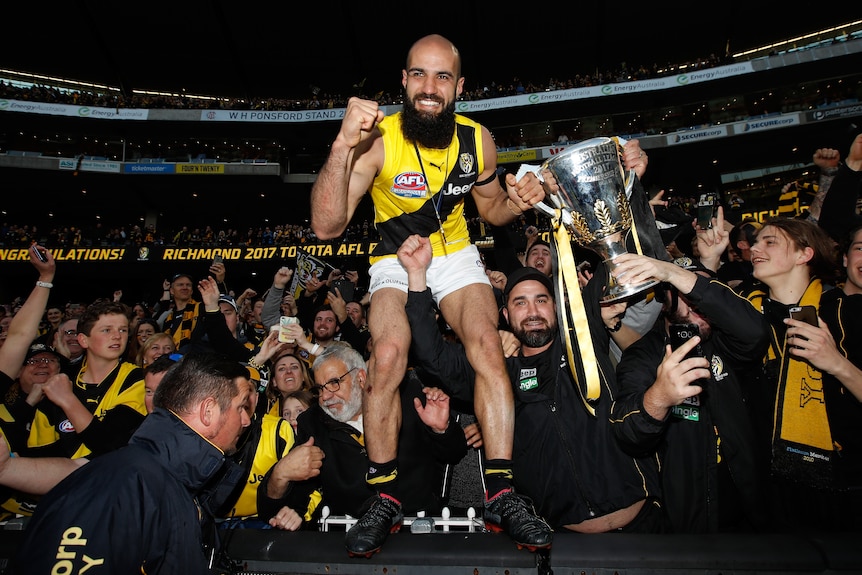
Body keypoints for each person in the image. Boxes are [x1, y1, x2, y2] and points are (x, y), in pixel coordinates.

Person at [309, 33, 560, 554]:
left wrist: (519, 202)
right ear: (402, 81)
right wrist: (340, 145)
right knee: (387, 354)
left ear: (459, 86)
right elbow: (327, 226)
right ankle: (384, 496)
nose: (429, 87)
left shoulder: (479, 140)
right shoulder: (375, 138)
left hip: (457, 255)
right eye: (418, 75)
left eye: (442, 76)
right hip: (394, 258)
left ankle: (503, 492)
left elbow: (492, 211)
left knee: (488, 345)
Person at [400, 234, 667, 534]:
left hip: (644, 528)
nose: (533, 312)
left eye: (541, 300)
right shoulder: (494, 375)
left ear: (556, 307)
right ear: (505, 315)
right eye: (520, 303)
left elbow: (612, 261)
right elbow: (430, 354)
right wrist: (417, 275)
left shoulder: (584, 340)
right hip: (560, 541)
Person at [12, 353, 253, 574]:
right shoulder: (119, 486)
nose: (245, 421)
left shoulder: (178, 484)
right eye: (242, 406)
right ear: (208, 410)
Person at [609, 250, 771, 533]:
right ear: (665, 298)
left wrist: (675, 274)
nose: (698, 302)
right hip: (688, 521)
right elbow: (627, 432)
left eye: (699, 290)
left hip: (752, 513)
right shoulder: (644, 355)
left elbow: (756, 333)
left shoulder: (725, 343)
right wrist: (660, 396)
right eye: (684, 293)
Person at [256, 343, 466, 546]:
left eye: (334, 383)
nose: (326, 396)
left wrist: (441, 429)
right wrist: (281, 479)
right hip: (348, 538)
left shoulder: (408, 397)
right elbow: (288, 500)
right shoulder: (312, 423)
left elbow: (454, 454)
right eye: (320, 388)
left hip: (416, 532)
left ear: (361, 377)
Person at [739, 217, 860, 531]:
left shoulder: (846, 313)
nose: (755, 248)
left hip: (844, 489)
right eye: (755, 242)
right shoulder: (746, 318)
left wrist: (835, 363)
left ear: (804, 254)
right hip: (771, 493)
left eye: (770, 241)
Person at [27, 300, 147, 460]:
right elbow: (39, 456)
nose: (117, 336)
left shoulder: (137, 379)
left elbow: (110, 444)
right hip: (62, 482)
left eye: (123, 330)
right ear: (83, 340)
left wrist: (68, 400)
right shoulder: (59, 385)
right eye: (106, 330)